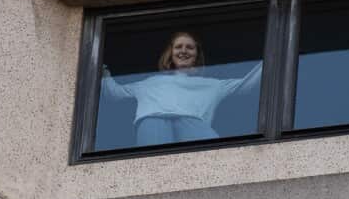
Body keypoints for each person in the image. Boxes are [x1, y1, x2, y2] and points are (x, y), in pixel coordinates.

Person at [101, 31, 263, 147]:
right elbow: (114, 94)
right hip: (154, 122)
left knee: (212, 161)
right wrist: (103, 73)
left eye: (189, 47)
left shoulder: (213, 85)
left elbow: (247, 85)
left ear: (196, 54)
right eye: (179, 47)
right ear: (170, 53)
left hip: (192, 124)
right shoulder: (149, 83)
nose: (184, 51)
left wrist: (273, 58)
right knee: (152, 166)